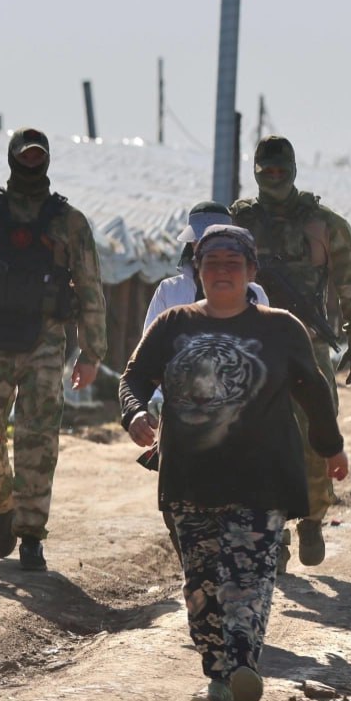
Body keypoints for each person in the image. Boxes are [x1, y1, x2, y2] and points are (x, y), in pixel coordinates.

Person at [118, 224, 349, 701]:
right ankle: (219, 677)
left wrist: (330, 448)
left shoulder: (280, 327)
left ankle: (243, 663)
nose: (222, 271)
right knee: (201, 587)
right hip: (188, 479)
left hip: (260, 479)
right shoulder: (173, 325)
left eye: (233, 263)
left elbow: (313, 391)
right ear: (198, 271)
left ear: (250, 271)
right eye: (212, 262)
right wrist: (136, 412)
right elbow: (133, 377)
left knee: (249, 576)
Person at [0, 127, 107, 571]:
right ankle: (2, 507)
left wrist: (92, 353)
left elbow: (89, 287)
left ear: (47, 160)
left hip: (46, 341)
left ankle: (31, 534)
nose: (31, 164)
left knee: (37, 439)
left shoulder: (70, 223)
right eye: (24, 157)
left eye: (38, 157)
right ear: (12, 159)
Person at [231, 136, 351, 568]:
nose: (274, 178)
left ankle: (310, 520)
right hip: (252, 345)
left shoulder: (321, 223)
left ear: (292, 170)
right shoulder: (239, 222)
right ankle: (273, 535)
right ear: (256, 171)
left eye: (280, 170)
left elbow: (350, 281)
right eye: (266, 171)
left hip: (307, 346)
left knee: (316, 435)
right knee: (257, 441)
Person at [141, 201, 270, 564]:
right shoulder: (170, 291)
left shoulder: (254, 294)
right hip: (181, 410)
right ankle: (195, 565)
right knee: (176, 497)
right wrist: (150, 399)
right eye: (202, 245)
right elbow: (148, 349)